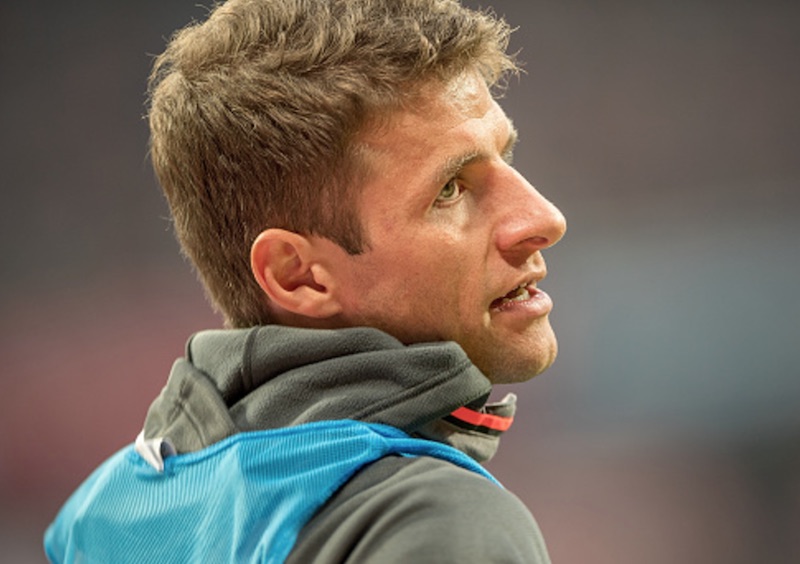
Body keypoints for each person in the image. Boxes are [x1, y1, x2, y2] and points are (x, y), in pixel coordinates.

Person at [44, 0, 567, 562]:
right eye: (450, 189)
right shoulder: (439, 521)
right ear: (298, 276)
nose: (544, 218)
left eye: (507, 157)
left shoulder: (95, 518)